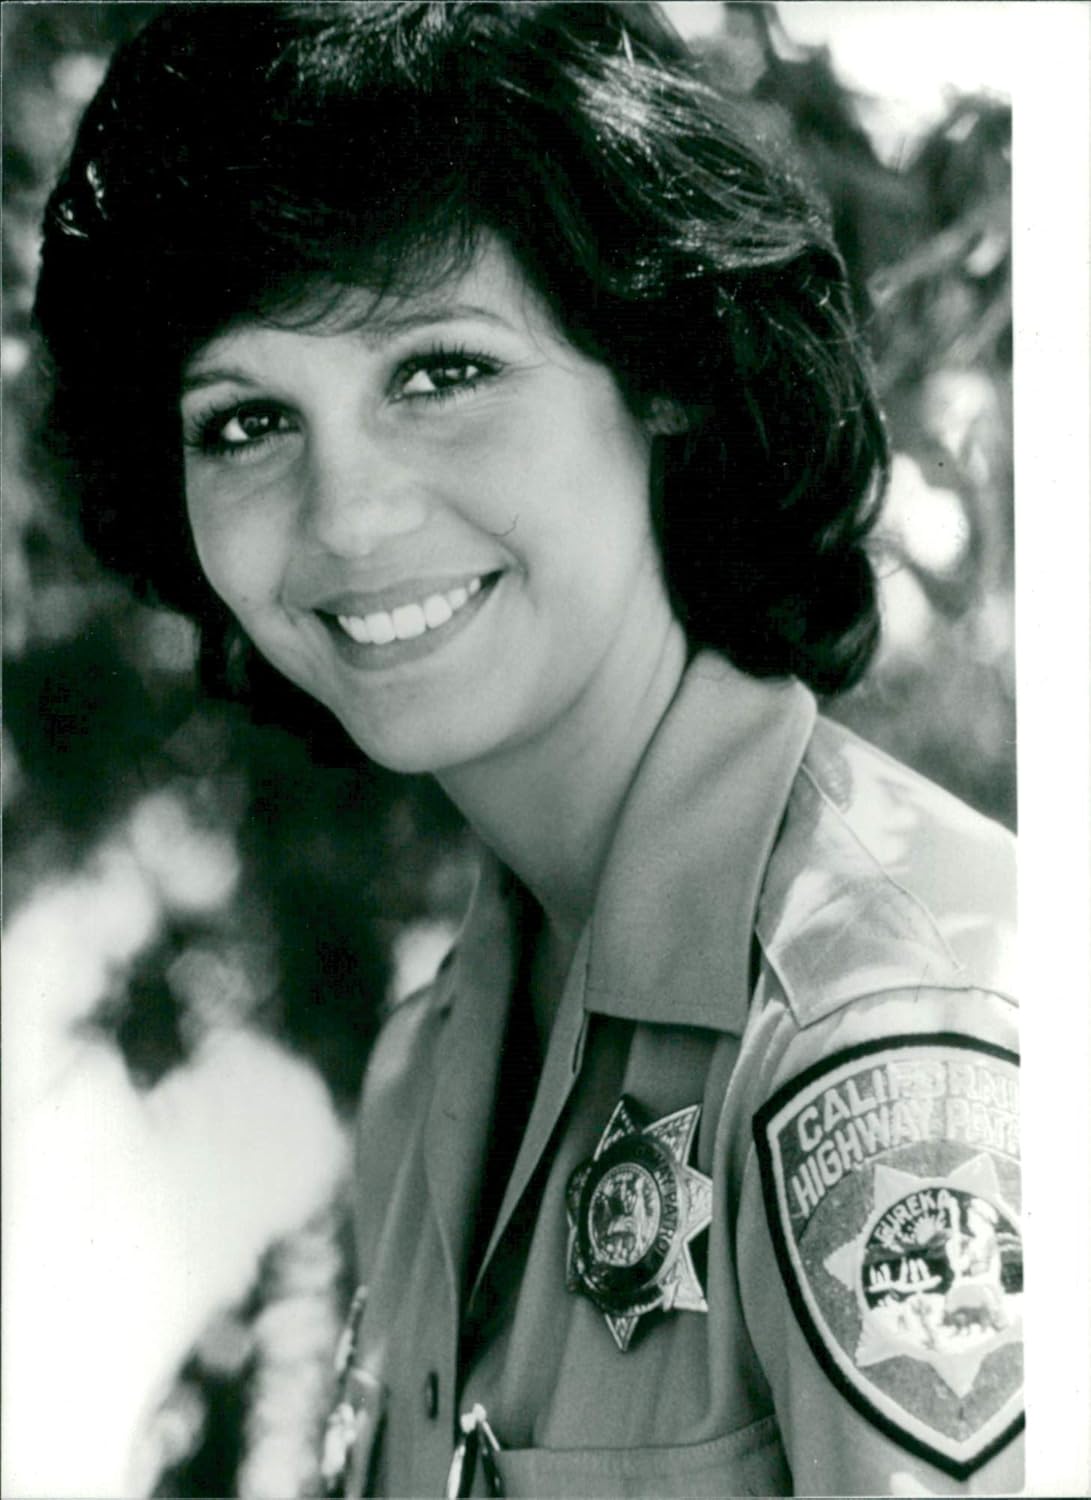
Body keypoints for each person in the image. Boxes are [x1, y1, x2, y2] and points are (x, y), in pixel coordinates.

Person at [33, 3, 1021, 1494]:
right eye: (244, 422)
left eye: (441, 372)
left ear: (664, 370)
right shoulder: (430, 1069)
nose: (349, 516)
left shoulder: (892, 1056)